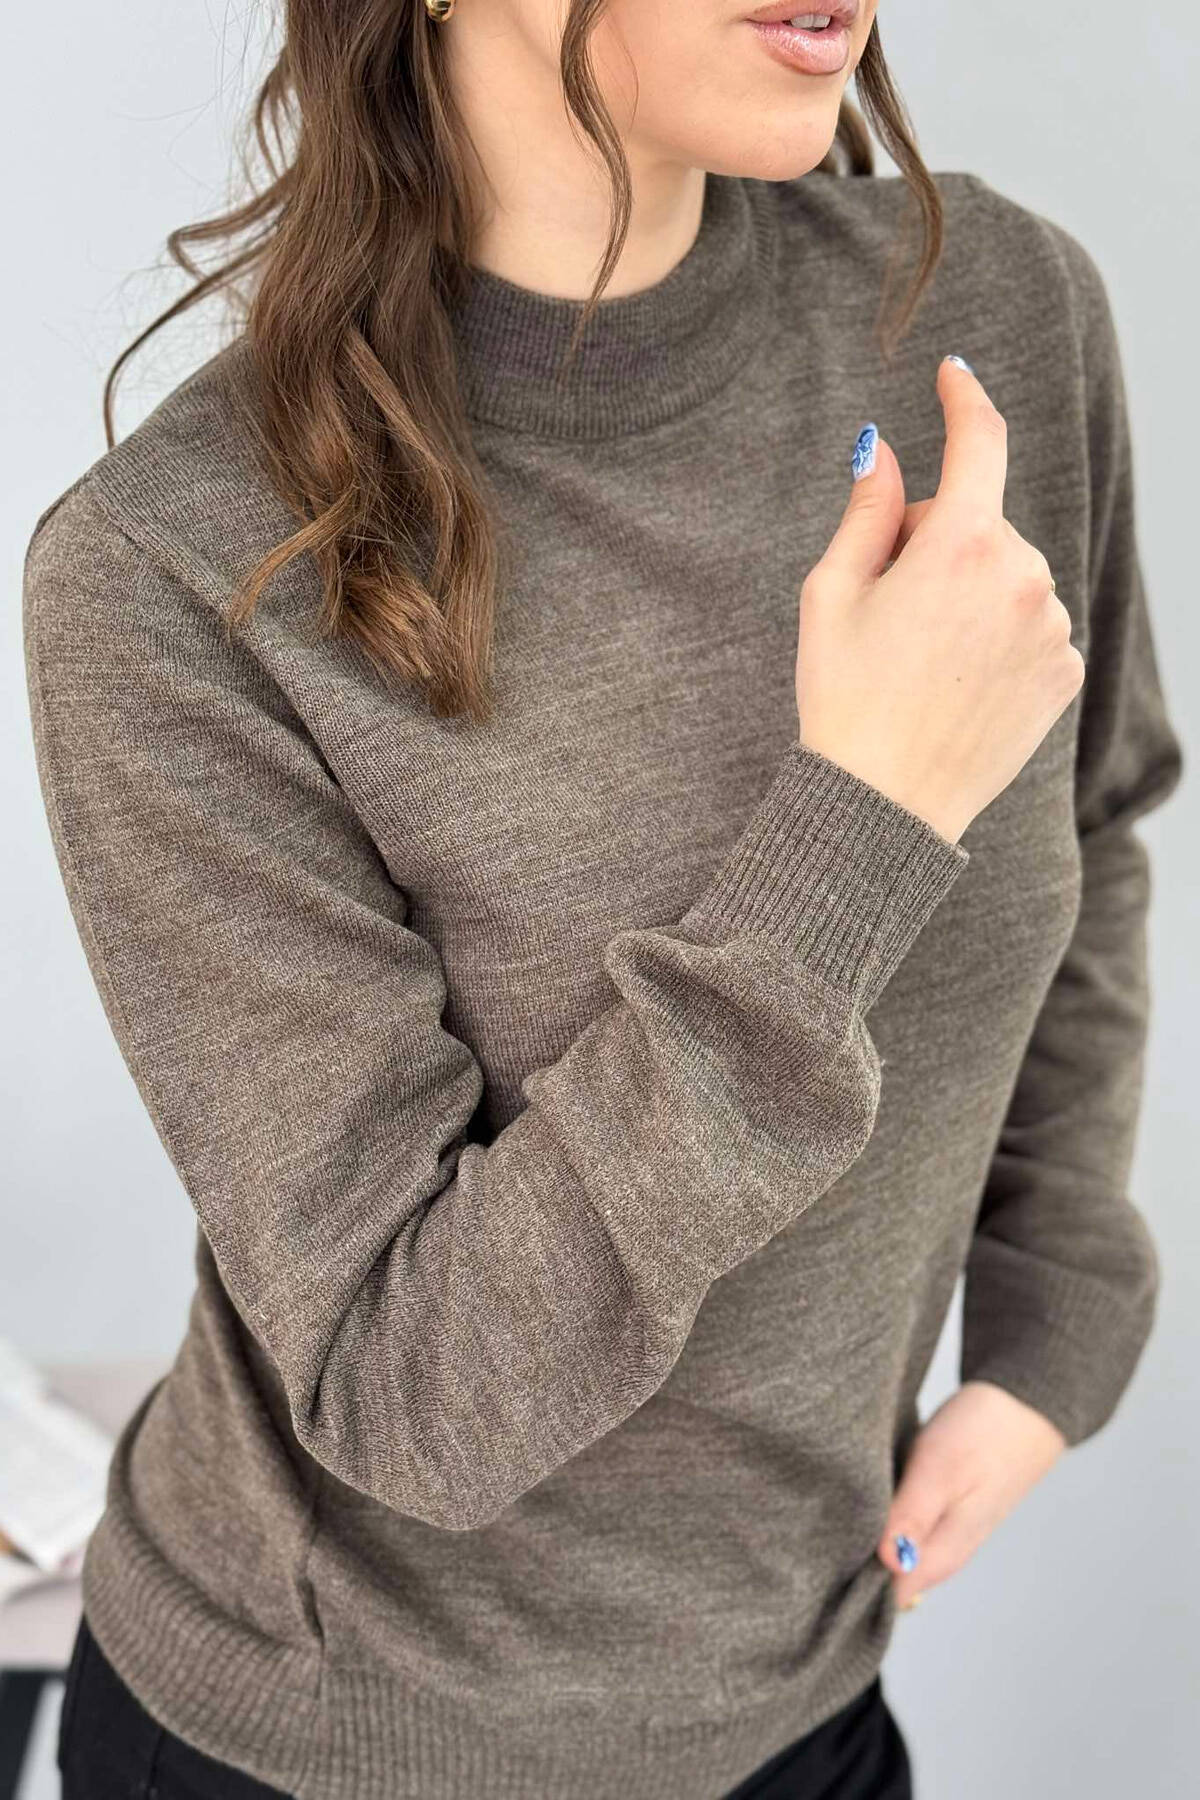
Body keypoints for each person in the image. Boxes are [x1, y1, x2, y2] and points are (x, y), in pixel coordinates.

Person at [23, 0, 1183, 1795]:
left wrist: (1057, 1308)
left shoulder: (995, 312)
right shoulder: (175, 576)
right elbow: (411, 1392)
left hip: (805, 1702)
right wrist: (863, 821)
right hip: (339, 1749)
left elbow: (1091, 831)